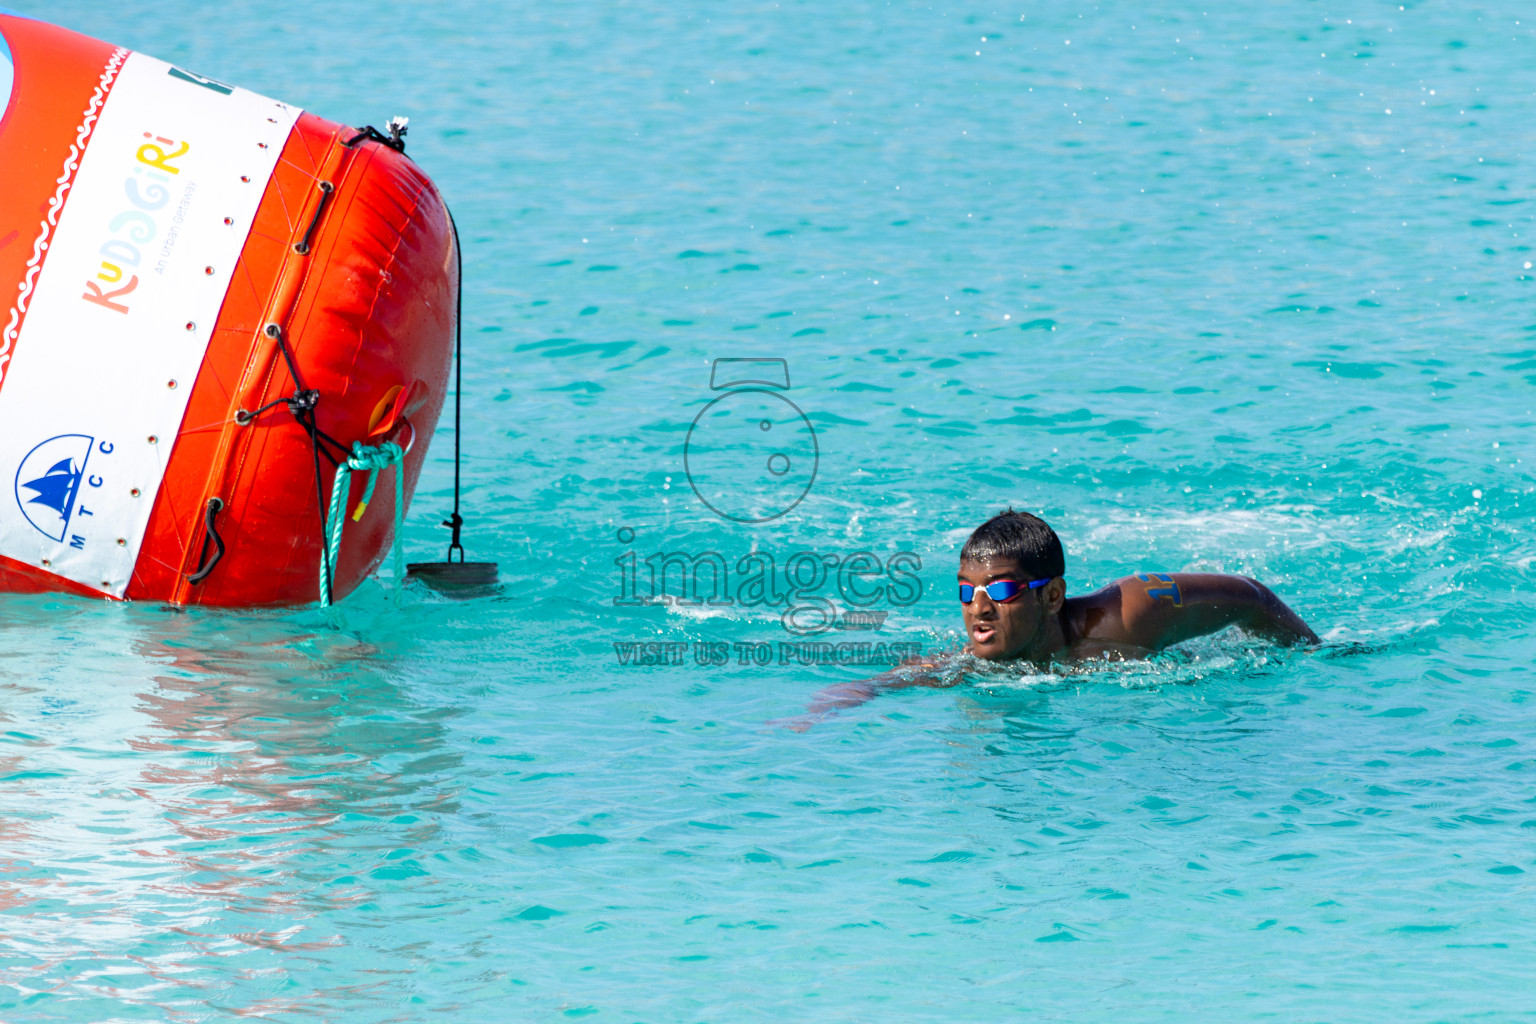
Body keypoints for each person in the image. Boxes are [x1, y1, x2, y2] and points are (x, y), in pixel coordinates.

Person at [782, 509, 1319, 728]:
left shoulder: (1133, 613)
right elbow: (894, 680)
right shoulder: (977, 662)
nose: (979, 608)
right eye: (966, 591)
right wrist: (832, 705)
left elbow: (1249, 596)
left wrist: (1310, 654)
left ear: (1053, 595)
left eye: (1003, 590)